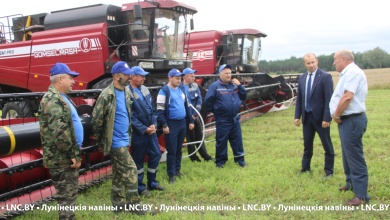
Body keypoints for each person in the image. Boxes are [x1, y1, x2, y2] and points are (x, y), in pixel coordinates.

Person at [91, 61, 146, 215]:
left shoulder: (126, 92)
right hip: (115, 142)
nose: (129, 77)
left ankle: (118, 204)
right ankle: (134, 205)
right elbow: (96, 121)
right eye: (126, 74)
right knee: (131, 170)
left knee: (118, 173)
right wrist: (104, 141)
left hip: (125, 139)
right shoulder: (107, 95)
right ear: (116, 76)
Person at [38, 62, 83, 220]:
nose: (73, 81)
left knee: (69, 195)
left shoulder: (60, 98)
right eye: (70, 78)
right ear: (60, 80)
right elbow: (60, 133)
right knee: (66, 196)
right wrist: (73, 154)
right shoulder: (53, 100)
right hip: (62, 158)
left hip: (64, 156)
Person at [330, 49, 369, 206]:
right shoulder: (347, 73)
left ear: (343, 59)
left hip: (351, 120)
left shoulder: (352, 72)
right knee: (347, 154)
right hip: (347, 120)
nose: (333, 62)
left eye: (335, 59)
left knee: (354, 156)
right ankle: (350, 182)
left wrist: (337, 115)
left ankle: (361, 196)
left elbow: (347, 96)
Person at [294, 53, 335, 177]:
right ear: (304, 64)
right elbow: (300, 99)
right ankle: (305, 169)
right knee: (307, 145)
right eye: (308, 63)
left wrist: (327, 118)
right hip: (307, 118)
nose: (311, 65)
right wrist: (297, 116)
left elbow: (329, 99)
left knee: (327, 146)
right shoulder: (302, 78)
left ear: (317, 61)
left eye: (313, 62)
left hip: (321, 119)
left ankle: (329, 172)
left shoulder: (325, 77)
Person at [128, 66, 165, 197]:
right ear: (132, 76)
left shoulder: (144, 89)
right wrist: (144, 129)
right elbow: (130, 115)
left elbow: (153, 110)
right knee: (138, 160)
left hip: (151, 131)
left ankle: (152, 182)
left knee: (156, 154)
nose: (144, 78)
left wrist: (154, 125)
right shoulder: (127, 92)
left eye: (144, 75)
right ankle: (140, 187)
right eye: (140, 76)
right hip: (139, 134)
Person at [204, 64, 247, 168]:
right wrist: (217, 111)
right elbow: (208, 102)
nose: (228, 75)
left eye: (229, 73)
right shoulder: (215, 86)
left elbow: (244, 96)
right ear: (220, 74)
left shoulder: (234, 85)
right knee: (221, 141)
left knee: (237, 140)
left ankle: (240, 160)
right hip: (223, 119)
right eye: (226, 73)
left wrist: (240, 85)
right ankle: (220, 162)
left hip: (235, 118)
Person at [156, 68, 194, 184]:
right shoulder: (164, 91)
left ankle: (177, 170)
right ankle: (171, 174)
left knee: (179, 149)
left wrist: (190, 120)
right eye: (177, 78)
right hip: (171, 124)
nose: (179, 80)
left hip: (182, 122)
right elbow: (160, 110)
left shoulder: (181, 90)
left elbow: (187, 106)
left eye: (180, 78)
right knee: (171, 151)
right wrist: (164, 124)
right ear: (170, 78)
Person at [180, 67, 214, 162]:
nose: (194, 78)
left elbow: (199, 100)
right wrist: (188, 116)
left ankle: (205, 156)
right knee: (190, 138)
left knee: (199, 136)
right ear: (185, 77)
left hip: (195, 116)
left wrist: (195, 114)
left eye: (194, 76)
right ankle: (193, 157)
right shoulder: (180, 88)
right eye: (192, 76)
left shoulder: (195, 86)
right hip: (186, 117)